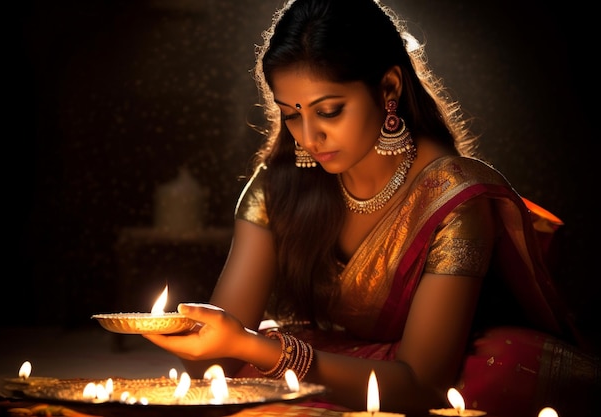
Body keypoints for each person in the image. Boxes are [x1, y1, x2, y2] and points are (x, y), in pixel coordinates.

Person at [144, 0, 599, 415]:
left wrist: (262, 349)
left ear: (388, 87)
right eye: (290, 113)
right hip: (340, 356)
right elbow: (224, 352)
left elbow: (421, 383)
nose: (307, 136)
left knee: (501, 374)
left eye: (329, 111)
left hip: (433, 376)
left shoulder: (454, 200)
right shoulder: (278, 186)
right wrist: (203, 338)